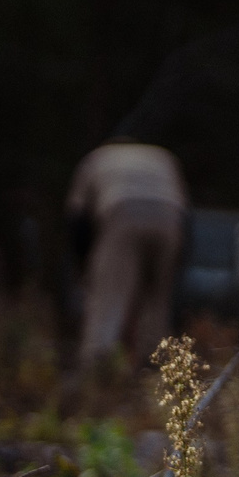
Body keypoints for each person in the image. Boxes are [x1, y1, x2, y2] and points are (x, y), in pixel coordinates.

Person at [66, 140, 188, 368]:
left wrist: (85, 267)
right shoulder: (163, 156)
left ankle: (99, 364)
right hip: (170, 218)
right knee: (157, 303)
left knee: (109, 298)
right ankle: (153, 368)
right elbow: (186, 216)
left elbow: (78, 221)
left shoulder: (96, 158)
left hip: (121, 211)